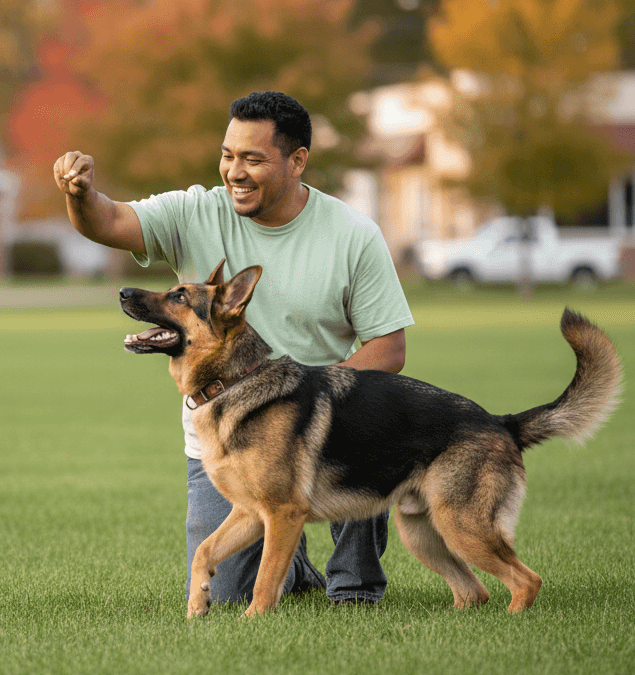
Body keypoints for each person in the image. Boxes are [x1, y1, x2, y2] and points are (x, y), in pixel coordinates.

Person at [53, 90, 414, 606]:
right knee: (220, 596)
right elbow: (106, 222)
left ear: (297, 161)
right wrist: (79, 192)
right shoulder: (196, 211)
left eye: (253, 159)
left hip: (327, 429)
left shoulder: (352, 235)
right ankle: (291, 562)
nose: (234, 171)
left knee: (370, 418)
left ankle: (352, 581)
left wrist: (314, 410)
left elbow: (389, 347)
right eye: (228, 155)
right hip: (222, 431)